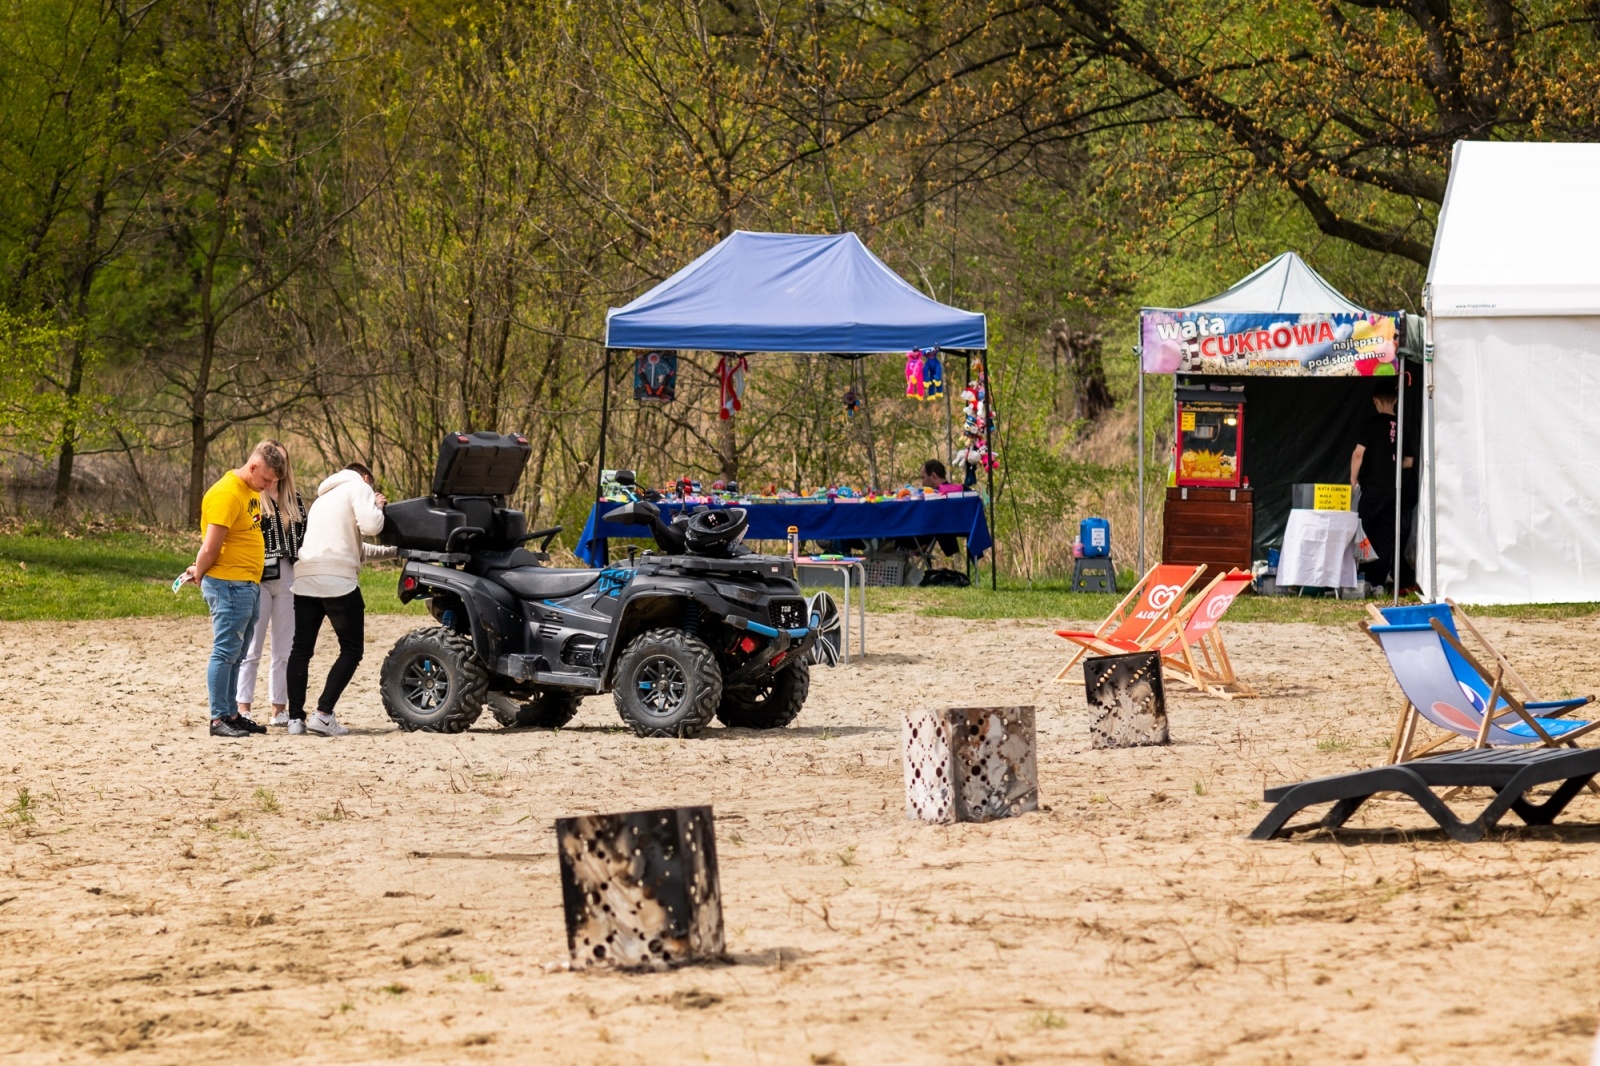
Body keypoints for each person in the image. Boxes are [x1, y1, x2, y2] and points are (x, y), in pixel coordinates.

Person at [184, 441, 287, 739]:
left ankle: (232, 713)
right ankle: (218, 718)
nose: (268, 486)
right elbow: (211, 545)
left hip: (247, 584)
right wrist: (199, 571)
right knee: (225, 651)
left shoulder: (249, 492)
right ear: (253, 467)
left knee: (238, 653)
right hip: (228, 584)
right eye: (266, 479)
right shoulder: (227, 494)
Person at [286, 462, 395, 736]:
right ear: (367, 477)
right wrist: (377, 506)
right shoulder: (359, 487)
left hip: (306, 578)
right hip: (338, 582)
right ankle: (323, 714)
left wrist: (396, 551)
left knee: (301, 649)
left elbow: (356, 547)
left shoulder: (323, 498)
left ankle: (295, 719)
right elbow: (371, 526)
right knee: (351, 649)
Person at [236, 440, 305, 728]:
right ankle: (243, 706)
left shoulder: (294, 498)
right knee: (252, 646)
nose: (279, 469)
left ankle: (279, 708)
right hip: (259, 575)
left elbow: (304, 537)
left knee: (284, 648)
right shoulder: (253, 496)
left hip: (287, 574)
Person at [1350, 382, 1414, 591]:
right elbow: (1409, 461)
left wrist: (1353, 480)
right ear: (1395, 400)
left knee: (1365, 533)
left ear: (1375, 400)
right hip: (1393, 491)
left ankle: (1364, 580)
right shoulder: (1403, 425)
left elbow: (1358, 453)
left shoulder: (1370, 424)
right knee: (1387, 536)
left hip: (1371, 490)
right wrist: (1391, 464)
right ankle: (1379, 582)